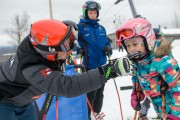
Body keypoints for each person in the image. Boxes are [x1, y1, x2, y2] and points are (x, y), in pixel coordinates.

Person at [0, 19, 131, 120]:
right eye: (67, 46)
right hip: (4, 101)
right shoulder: (32, 69)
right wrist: (108, 71)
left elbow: (50, 34)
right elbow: (68, 86)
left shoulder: (38, 44)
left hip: (24, 101)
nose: (71, 50)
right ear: (50, 52)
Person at [116, 18, 180, 120]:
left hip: (174, 112)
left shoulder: (164, 62)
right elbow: (137, 79)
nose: (131, 49)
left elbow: (177, 89)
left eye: (135, 44)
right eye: (127, 45)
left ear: (148, 40)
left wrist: (174, 116)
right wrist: (136, 93)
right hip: (162, 111)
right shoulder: (136, 63)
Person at [77, 1, 112, 120]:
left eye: (95, 12)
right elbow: (75, 42)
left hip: (102, 64)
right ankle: (87, 115)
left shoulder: (101, 28)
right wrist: (79, 49)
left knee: (100, 91)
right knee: (90, 92)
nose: (93, 15)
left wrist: (108, 48)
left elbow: (107, 42)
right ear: (86, 13)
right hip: (89, 65)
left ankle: (97, 112)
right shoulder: (81, 27)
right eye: (91, 12)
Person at [138, 28, 164, 119]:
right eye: (155, 38)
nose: (157, 40)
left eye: (159, 38)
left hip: (160, 84)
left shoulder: (163, 49)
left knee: (160, 101)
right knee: (149, 99)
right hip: (148, 84)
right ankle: (142, 113)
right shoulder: (147, 50)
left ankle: (159, 114)